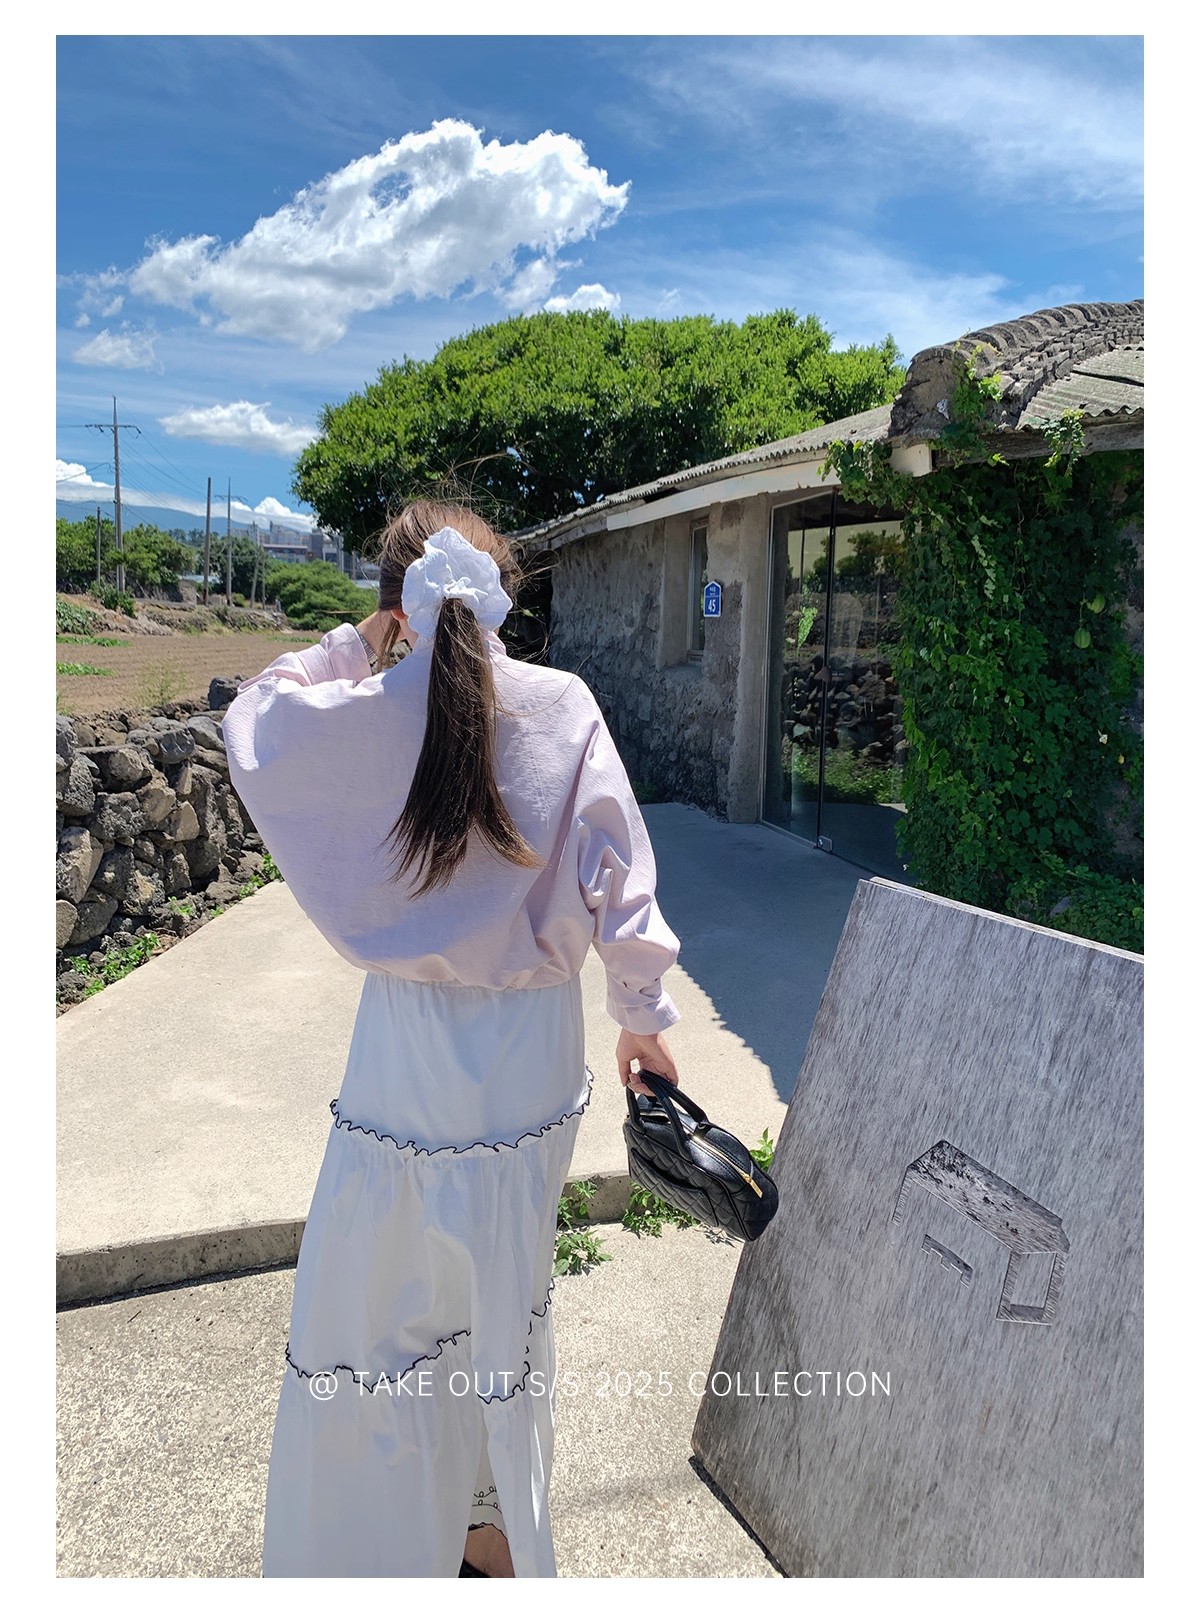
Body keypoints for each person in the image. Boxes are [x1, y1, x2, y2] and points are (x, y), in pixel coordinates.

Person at [223, 500, 683, 1578]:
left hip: (407, 1042)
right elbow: (621, 870)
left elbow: (254, 718)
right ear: (503, 593)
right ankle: (493, 1532)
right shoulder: (563, 704)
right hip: (532, 1047)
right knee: (503, 1296)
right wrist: (642, 1016)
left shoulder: (359, 711)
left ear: (399, 607)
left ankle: (396, 1543)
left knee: (388, 1306)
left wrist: (359, 644)